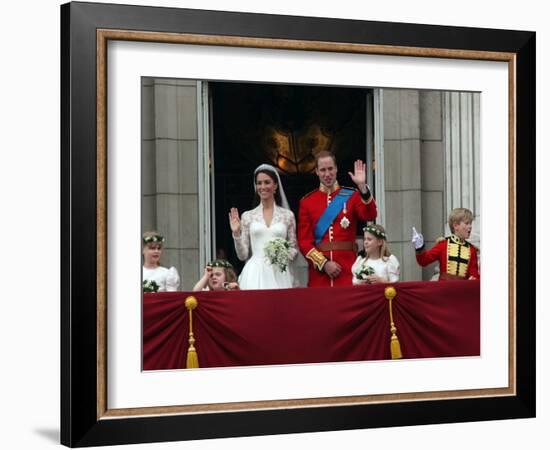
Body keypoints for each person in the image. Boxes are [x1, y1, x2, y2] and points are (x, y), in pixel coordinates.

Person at [297, 151, 377, 287]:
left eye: (330, 169)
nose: (327, 174)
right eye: (322, 170)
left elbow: (370, 215)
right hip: (320, 275)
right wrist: (324, 263)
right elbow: (304, 242)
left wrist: (362, 187)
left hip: (348, 270)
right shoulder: (307, 202)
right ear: (316, 171)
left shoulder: (352, 195)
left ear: (336, 169)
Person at [229, 164, 298, 290]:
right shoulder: (248, 216)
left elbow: (294, 247)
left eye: (267, 182)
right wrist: (236, 234)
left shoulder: (287, 216)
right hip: (255, 272)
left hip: (279, 273)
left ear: (275, 185)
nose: (263, 187)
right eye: (259, 183)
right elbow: (242, 255)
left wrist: (281, 255)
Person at [411, 207, 480, 280]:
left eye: (470, 223)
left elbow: (474, 273)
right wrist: (419, 247)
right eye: (467, 223)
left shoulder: (472, 250)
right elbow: (423, 261)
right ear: (456, 226)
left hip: (462, 290)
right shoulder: (443, 245)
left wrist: (473, 278)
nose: (470, 226)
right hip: (444, 289)